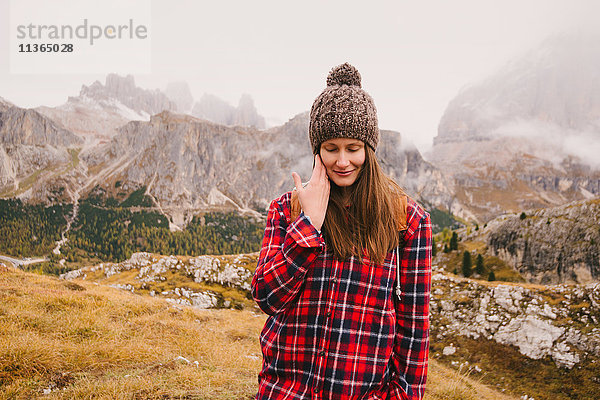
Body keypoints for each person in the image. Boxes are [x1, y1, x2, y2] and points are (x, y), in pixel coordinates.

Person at [251, 62, 432, 400]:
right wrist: (309, 225)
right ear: (316, 150)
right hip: (286, 392)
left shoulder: (408, 220)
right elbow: (266, 297)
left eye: (353, 148)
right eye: (331, 148)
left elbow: (415, 328)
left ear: (369, 150)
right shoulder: (286, 209)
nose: (343, 161)